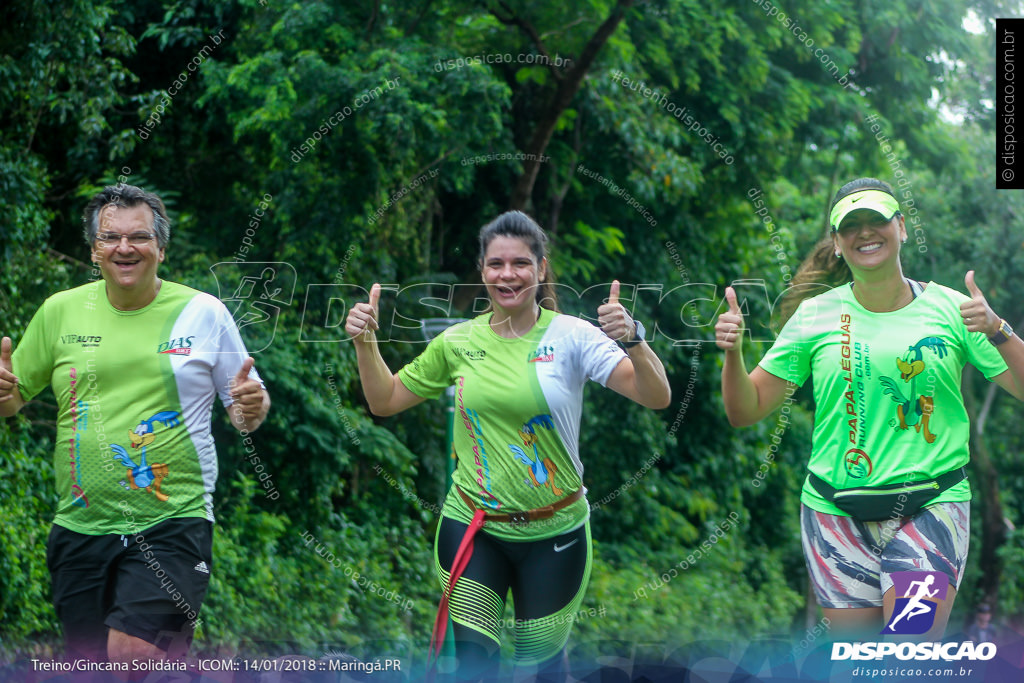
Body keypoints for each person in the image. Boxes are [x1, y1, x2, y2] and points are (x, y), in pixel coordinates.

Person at [345, 210, 670, 680]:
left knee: (541, 667)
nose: (507, 275)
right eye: (496, 264)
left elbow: (656, 396)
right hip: (474, 527)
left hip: (555, 531)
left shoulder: (573, 336)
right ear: (482, 270)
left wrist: (634, 340)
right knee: (474, 666)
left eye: (520, 263)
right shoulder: (457, 343)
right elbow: (385, 400)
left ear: (540, 269)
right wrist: (365, 344)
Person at [715, 177, 1024, 640]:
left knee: (906, 655)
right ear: (837, 244)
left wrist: (998, 328)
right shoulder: (816, 315)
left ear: (900, 228)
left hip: (930, 505)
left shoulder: (954, 309)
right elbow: (747, 409)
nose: (865, 232)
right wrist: (733, 354)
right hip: (835, 512)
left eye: (876, 220)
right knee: (857, 665)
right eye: (850, 225)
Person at [0, 184, 270, 672]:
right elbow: (13, 399)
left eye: (140, 237)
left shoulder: (203, 314)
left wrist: (252, 407)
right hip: (79, 526)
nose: (125, 248)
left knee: (134, 657)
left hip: (173, 522)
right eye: (111, 238)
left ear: (161, 249)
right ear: (94, 250)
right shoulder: (61, 310)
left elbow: (244, 404)